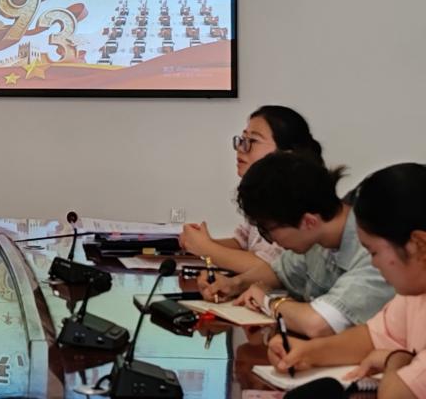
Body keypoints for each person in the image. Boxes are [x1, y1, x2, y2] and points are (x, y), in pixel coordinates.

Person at [267, 163, 426, 399]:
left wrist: (396, 360)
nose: (373, 264)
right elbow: (372, 336)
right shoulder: (414, 293)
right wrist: (308, 352)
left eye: (374, 252)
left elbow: (396, 395)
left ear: (418, 245)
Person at [200, 152, 393, 337]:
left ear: (308, 222)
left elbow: (318, 324)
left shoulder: (376, 251)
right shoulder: (318, 237)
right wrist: (234, 284)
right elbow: (280, 271)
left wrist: (269, 301)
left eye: (267, 230)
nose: (272, 241)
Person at [180, 105, 326, 273]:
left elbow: (273, 268)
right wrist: (198, 243)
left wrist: (206, 249)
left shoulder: (298, 197)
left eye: (253, 141)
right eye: (242, 140)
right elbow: (243, 243)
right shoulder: (263, 193)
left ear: (286, 153)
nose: (241, 149)